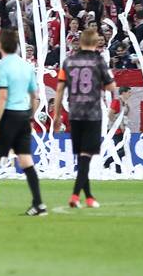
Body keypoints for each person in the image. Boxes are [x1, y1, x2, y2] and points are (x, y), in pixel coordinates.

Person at [0, 30, 47, 216]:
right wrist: (29, 116)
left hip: (7, 116)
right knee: (26, 159)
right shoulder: (26, 66)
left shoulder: (1, 66)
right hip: (23, 116)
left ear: (1, 45)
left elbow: (3, 96)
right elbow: (35, 96)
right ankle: (38, 204)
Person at [51, 29, 116, 208]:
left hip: (74, 113)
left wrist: (56, 115)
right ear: (96, 43)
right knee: (86, 156)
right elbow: (111, 87)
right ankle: (74, 195)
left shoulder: (68, 62)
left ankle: (88, 197)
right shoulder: (98, 61)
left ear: (80, 43)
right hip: (92, 114)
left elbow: (59, 90)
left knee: (82, 157)